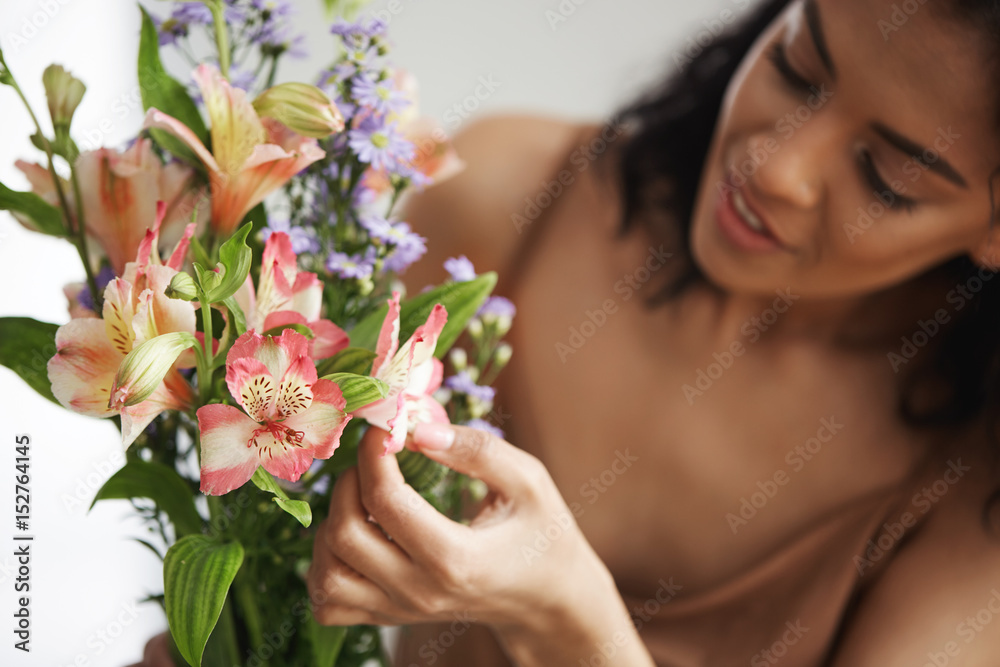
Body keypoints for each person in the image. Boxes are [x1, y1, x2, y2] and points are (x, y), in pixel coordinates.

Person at [138, 0, 1000, 664]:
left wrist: (564, 621)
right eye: (797, 65)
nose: (775, 164)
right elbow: (273, 552)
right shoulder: (508, 198)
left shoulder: (972, 505)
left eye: (886, 178)